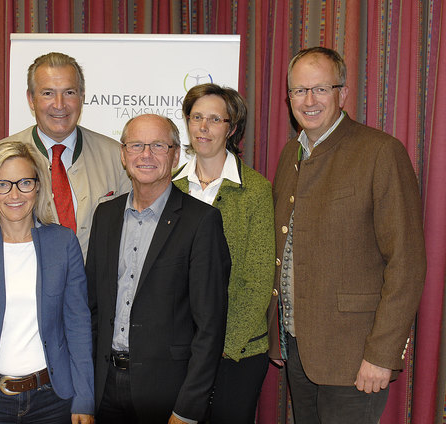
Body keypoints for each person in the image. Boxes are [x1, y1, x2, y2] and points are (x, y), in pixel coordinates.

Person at [268, 46, 426, 423]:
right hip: (298, 351)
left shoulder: (380, 152)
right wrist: (279, 335)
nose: (308, 100)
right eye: (298, 90)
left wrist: (382, 354)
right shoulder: (291, 154)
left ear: (343, 93)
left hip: (356, 358)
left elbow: (406, 262)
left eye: (321, 89)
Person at [86, 114, 231, 424]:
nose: (146, 154)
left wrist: (188, 409)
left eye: (158, 145)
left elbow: (210, 327)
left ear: (176, 154)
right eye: (136, 145)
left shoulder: (201, 222)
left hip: (168, 394)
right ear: (123, 155)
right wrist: (86, 392)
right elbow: (92, 310)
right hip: (105, 388)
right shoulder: (106, 215)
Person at [0, 141, 95, 424]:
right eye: (3, 184)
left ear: (38, 187)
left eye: (24, 182)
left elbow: (78, 326)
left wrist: (85, 398)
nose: (14, 194)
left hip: (52, 400)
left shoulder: (63, 242)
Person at [172, 83, 274, 423]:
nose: (203, 127)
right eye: (196, 117)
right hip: (180, 349)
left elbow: (258, 280)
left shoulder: (255, 190)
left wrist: (219, 348)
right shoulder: (171, 188)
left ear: (231, 128)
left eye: (215, 119)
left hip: (237, 352)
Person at [0, 52, 131, 258]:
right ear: (31, 99)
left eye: (69, 93)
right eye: (47, 93)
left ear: (82, 97)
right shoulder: (0, 157)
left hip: (95, 286)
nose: (59, 104)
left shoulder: (115, 156)